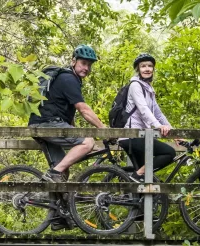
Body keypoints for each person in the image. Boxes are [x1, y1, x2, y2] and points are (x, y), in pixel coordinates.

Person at [29, 44, 108, 183]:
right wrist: (103, 129)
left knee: (62, 172)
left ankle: (57, 203)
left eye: (89, 65)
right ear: (73, 61)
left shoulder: (66, 78)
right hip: (48, 125)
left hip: (40, 124)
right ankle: (53, 173)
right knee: (88, 142)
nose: (86, 68)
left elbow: (66, 113)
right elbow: (83, 109)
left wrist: (74, 130)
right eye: (83, 63)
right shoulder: (69, 79)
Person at [119, 53, 177, 182]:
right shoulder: (135, 85)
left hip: (141, 135)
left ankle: (136, 187)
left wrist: (174, 134)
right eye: (143, 66)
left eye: (150, 66)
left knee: (143, 179)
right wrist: (158, 126)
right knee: (169, 153)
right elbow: (143, 109)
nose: (147, 69)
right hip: (131, 136)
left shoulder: (149, 89)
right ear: (138, 69)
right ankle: (136, 176)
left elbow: (158, 113)